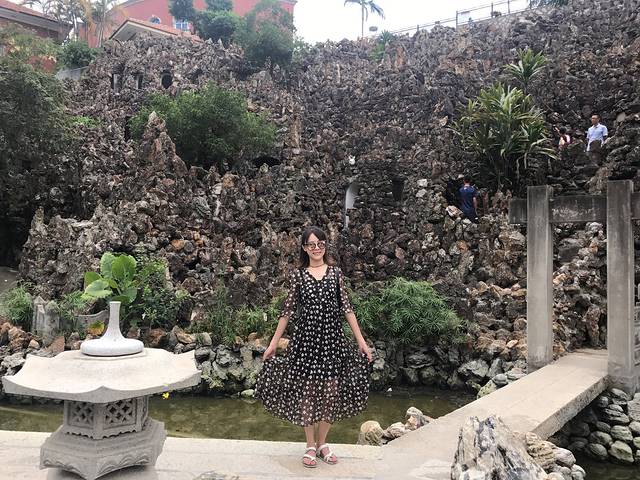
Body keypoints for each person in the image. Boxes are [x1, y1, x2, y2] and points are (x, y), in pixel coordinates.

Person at [255, 226, 372, 469]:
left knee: (330, 393)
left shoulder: (335, 273)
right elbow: (287, 311)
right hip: (305, 342)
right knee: (307, 393)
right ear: (304, 248)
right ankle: (310, 445)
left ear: (325, 246)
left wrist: (361, 341)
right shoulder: (298, 275)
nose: (316, 248)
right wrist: (273, 343)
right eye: (311, 244)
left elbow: (347, 308)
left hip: (332, 342)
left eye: (320, 243)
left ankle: (322, 443)